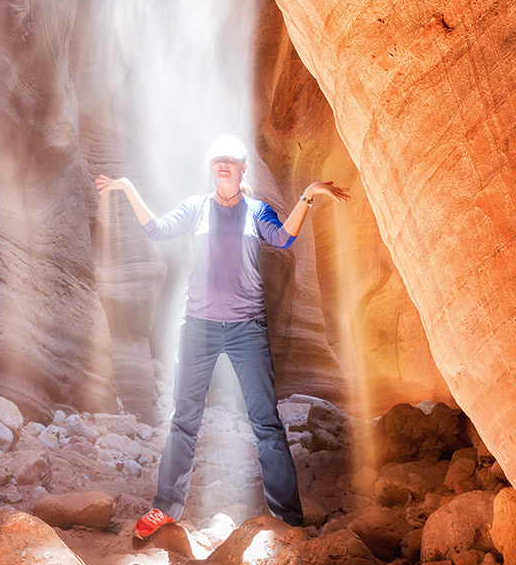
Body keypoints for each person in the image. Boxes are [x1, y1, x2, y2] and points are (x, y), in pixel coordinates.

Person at [95, 135, 349, 538]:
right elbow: (159, 231)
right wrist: (127, 188)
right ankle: (165, 508)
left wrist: (307, 196)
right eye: (218, 160)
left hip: (247, 329)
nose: (224, 165)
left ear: (243, 168)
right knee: (184, 419)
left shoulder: (256, 210)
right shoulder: (195, 208)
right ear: (211, 167)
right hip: (198, 328)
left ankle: (288, 519)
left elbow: (282, 238)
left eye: (231, 160)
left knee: (266, 422)